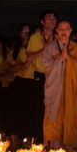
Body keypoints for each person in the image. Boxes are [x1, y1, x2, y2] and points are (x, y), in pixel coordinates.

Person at [42, 20, 77, 149]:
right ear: (57, 31)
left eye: (66, 29)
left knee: (74, 114)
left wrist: (70, 59)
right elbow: (45, 65)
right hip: (55, 88)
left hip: (72, 90)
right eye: (61, 29)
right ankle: (55, 146)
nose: (63, 31)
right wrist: (60, 60)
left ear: (70, 31)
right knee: (55, 115)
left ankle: (72, 145)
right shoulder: (50, 47)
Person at [25, 9, 58, 143]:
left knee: (54, 108)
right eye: (48, 17)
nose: (52, 20)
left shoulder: (59, 38)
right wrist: (47, 47)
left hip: (55, 76)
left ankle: (53, 139)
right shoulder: (36, 38)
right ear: (42, 22)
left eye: (54, 17)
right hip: (40, 76)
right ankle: (39, 140)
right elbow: (29, 58)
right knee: (39, 108)